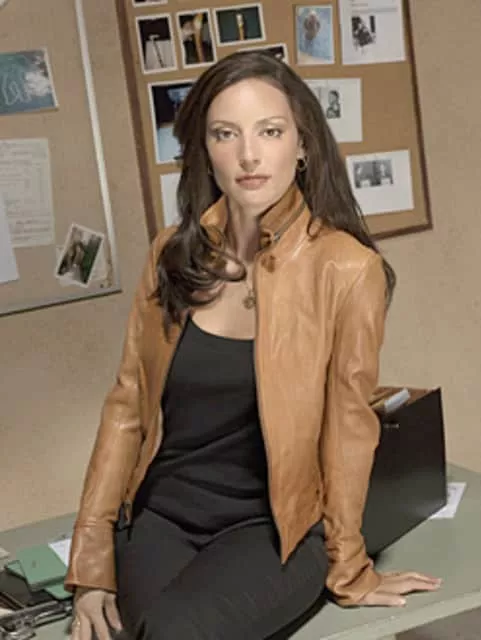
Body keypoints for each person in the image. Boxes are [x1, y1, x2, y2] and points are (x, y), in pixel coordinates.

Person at [66, 51, 442, 640]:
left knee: (170, 633)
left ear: (302, 145)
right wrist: (92, 564)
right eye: (226, 134)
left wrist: (349, 567)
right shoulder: (171, 254)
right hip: (162, 519)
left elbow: (349, 429)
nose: (248, 154)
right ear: (204, 149)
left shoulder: (346, 269)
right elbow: (127, 404)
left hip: (273, 532)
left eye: (270, 131)